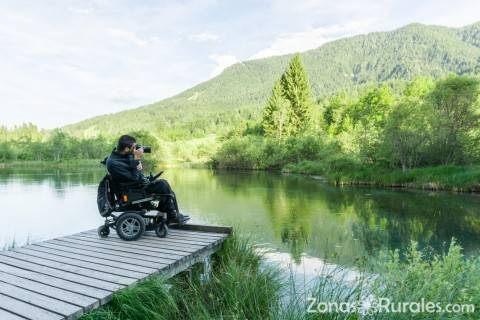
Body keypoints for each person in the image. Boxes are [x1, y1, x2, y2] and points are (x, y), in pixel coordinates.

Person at [106, 134, 189, 224]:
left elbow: (133, 169)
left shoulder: (123, 154)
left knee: (166, 189)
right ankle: (171, 215)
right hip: (131, 191)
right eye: (134, 147)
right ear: (126, 149)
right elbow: (134, 179)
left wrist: (138, 163)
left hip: (136, 185)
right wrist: (137, 159)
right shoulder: (114, 163)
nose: (135, 149)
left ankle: (170, 213)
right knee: (163, 185)